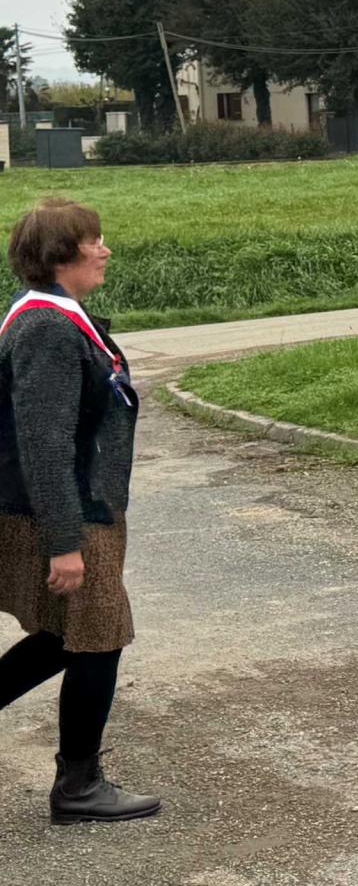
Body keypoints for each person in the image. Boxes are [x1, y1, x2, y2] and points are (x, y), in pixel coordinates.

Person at [0, 197, 160, 824]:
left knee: (66, 635)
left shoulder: (58, 316)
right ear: (62, 255)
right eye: (95, 240)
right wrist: (65, 542)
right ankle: (78, 786)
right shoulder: (46, 327)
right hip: (68, 517)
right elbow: (44, 443)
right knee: (98, 638)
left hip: (76, 511)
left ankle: (78, 781)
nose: (105, 249)